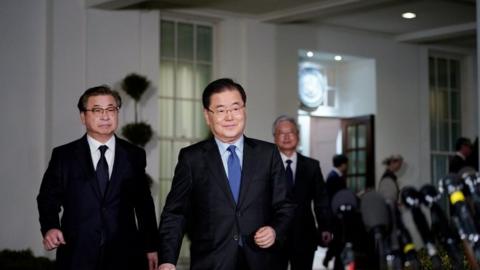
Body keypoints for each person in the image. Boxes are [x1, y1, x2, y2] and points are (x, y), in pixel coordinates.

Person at [157, 78, 296, 270]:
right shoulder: (192, 158)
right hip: (212, 262)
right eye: (221, 110)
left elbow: (285, 205)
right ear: (207, 116)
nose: (230, 117)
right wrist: (167, 259)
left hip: (261, 261)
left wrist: (274, 230)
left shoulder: (268, 154)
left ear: (244, 110)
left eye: (236, 108)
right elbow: (175, 214)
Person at [37, 86, 158, 270]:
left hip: (125, 255)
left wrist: (151, 246)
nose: (105, 116)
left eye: (111, 109)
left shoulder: (134, 155)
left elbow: (143, 204)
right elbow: (47, 198)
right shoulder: (64, 156)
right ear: (83, 117)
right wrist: (51, 226)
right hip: (77, 254)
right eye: (97, 110)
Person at [272, 115, 332, 270]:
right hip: (274, 236)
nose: (286, 137)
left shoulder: (312, 166)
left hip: (304, 235)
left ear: (298, 136)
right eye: (281, 133)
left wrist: (325, 226)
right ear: (274, 138)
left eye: (290, 132)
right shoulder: (266, 166)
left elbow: (321, 200)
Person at [323, 154, 348, 269]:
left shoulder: (333, 176)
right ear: (343, 164)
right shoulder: (334, 177)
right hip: (336, 214)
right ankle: (334, 262)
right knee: (339, 240)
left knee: (337, 240)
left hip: (335, 214)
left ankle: (329, 258)